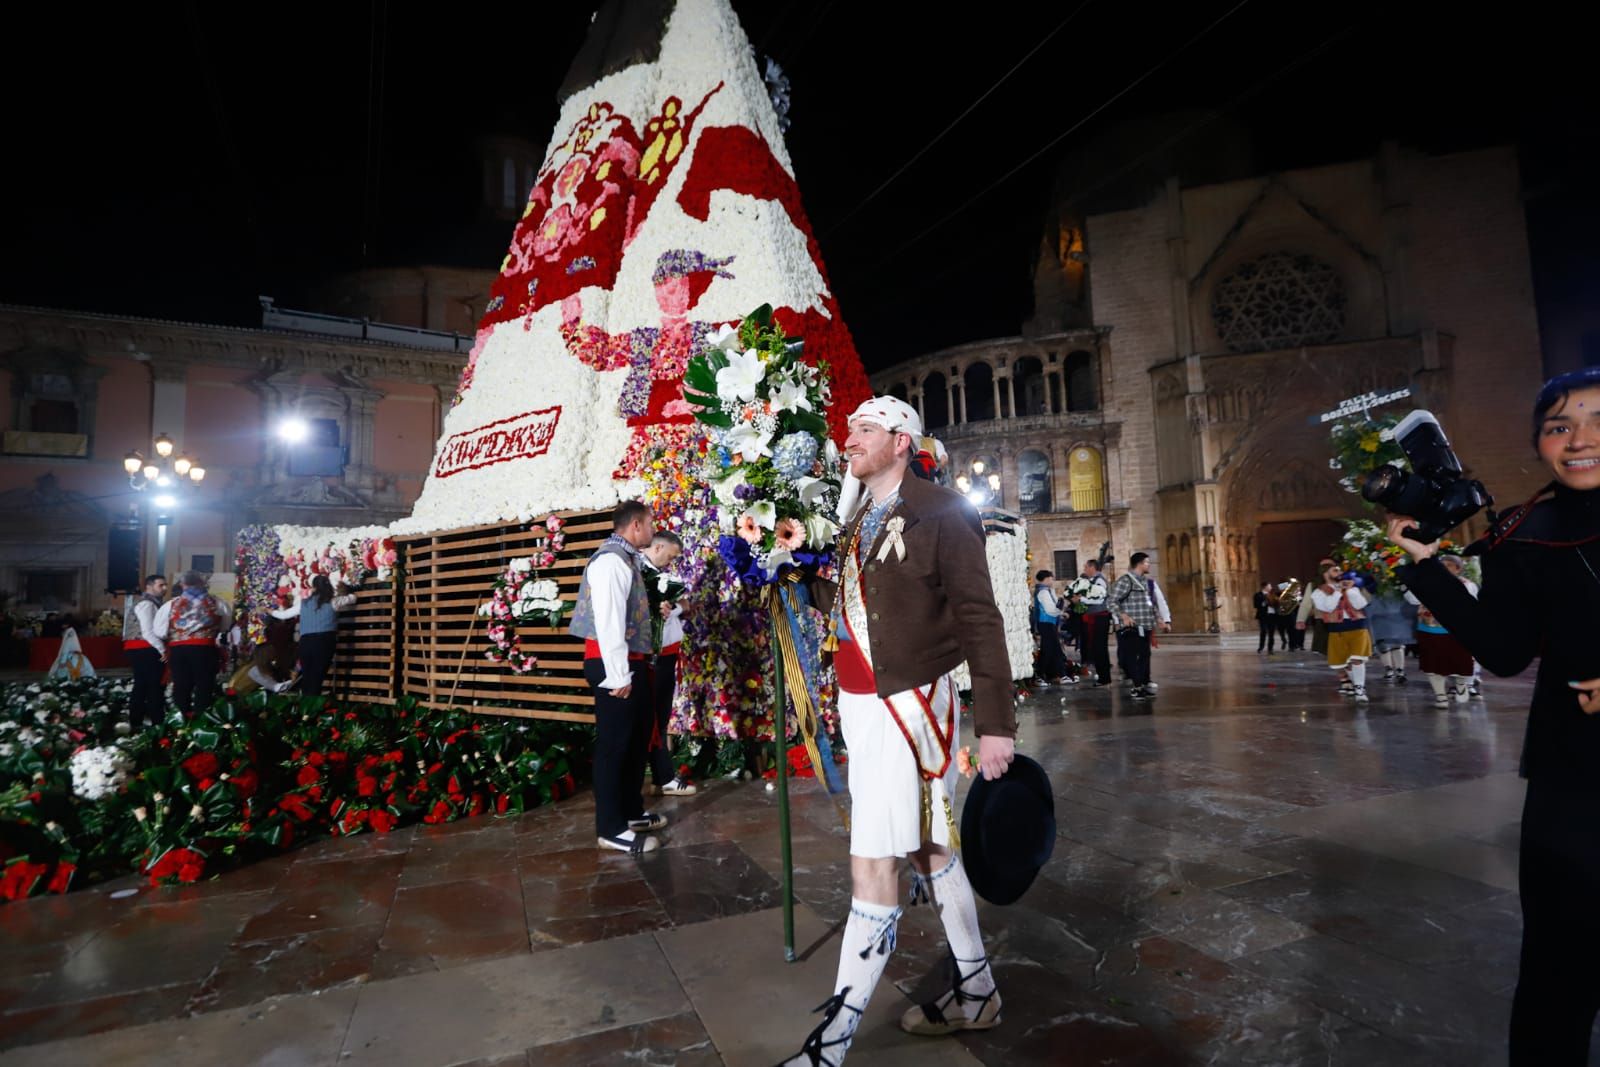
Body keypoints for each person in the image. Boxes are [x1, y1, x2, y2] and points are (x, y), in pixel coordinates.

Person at [776, 397, 1015, 1066]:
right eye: (850, 426)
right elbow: (863, 607)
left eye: (866, 428)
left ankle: (830, 1044)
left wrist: (996, 724)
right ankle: (978, 991)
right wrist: (791, 569)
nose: (849, 437)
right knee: (930, 849)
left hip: (908, 706)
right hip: (864, 701)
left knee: (872, 862)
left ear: (903, 441)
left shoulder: (941, 512)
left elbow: (980, 617)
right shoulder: (857, 516)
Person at [1388, 366, 1600, 1064]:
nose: (1578, 440)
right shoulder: (1524, 531)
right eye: (1558, 425)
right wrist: (1423, 565)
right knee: (1557, 973)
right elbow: (1505, 651)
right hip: (1574, 778)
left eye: (1596, 419)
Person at [568, 500, 665, 854]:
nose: (654, 531)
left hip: (630, 661)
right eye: (651, 524)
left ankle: (629, 810)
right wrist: (619, 674)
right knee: (615, 746)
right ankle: (610, 828)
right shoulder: (610, 561)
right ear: (636, 525)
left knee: (636, 741)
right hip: (613, 665)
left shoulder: (627, 559)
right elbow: (608, 623)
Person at [640, 530, 696, 797]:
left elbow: (685, 602)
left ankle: (662, 774)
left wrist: (673, 608)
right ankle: (663, 776)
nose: (671, 562)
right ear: (659, 547)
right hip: (655, 654)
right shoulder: (640, 569)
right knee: (655, 718)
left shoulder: (659, 572)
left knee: (659, 716)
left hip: (668, 651)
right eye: (670, 556)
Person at [153, 571, 231, 717]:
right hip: (205, 649)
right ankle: (203, 719)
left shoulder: (170, 604)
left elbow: (159, 631)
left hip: (179, 651)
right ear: (203, 584)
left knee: (181, 685)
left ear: (183, 585)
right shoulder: (218, 602)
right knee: (204, 685)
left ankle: (183, 718)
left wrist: (179, 634)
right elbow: (225, 626)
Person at [271, 575, 358, 697]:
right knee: (317, 677)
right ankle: (311, 708)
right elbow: (353, 598)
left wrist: (269, 611)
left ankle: (305, 708)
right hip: (324, 642)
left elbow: (284, 615)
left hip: (306, 643)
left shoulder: (304, 604)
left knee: (307, 676)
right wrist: (346, 591)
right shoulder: (333, 601)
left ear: (314, 588)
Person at [1310, 562, 1371, 702]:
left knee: (1357, 659)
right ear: (1326, 573)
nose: (1339, 572)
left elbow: (1361, 604)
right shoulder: (1318, 592)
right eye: (1335, 570)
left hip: (1357, 625)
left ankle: (1360, 689)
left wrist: (1350, 590)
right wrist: (1338, 591)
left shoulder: (1352, 587)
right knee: (1345, 663)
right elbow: (1328, 607)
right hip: (1337, 629)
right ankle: (1356, 686)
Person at [121, 574, 169, 729]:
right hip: (145, 648)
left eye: (165, 585)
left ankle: (137, 721)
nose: (165, 588)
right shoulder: (146, 604)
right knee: (153, 686)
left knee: (142, 685)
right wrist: (163, 650)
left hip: (140, 648)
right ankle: (156, 722)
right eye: (161, 585)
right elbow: (148, 632)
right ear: (149, 586)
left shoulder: (149, 603)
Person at [1110, 553, 1157, 700]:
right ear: (1140, 564)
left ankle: (1142, 685)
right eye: (1147, 562)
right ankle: (1136, 687)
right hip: (1132, 626)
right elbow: (1111, 601)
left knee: (1144, 656)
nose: (1149, 565)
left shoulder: (1143, 581)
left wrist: (1158, 618)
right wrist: (1123, 616)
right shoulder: (1126, 581)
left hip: (1145, 625)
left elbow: (1147, 602)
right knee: (1132, 657)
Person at [1070, 559, 1111, 685]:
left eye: (1086, 567)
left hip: (1099, 618)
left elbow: (1099, 599)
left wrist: (1080, 599)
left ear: (1092, 567)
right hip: (1095, 618)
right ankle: (1103, 676)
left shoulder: (1099, 581)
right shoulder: (1093, 581)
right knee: (1097, 648)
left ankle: (1104, 678)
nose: (1084, 569)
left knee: (1100, 648)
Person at [1365, 589, 1414, 685]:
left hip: (1396, 614)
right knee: (1382, 644)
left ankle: (1400, 670)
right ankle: (1389, 669)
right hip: (1378, 614)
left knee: (1397, 643)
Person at [1031, 570, 1069, 685]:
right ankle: (1045, 675)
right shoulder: (1043, 592)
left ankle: (1055, 674)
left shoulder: (1046, 590)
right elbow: (1050, 609)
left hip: (1048, 623)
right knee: (1050, 650)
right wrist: (1061, 613)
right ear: (1047, 579)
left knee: (1051, 650)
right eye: (1052, 578)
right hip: (1046, 623)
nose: (1053, 580)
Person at [228, 644, 297, 696]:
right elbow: (275, 687)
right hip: (239, 701)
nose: (275, 654)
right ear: (266, 655)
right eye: (272, 652)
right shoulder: (255, 670)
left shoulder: (255, 666)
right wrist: (293, 680)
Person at [1253, 582, 1278, 653]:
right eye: (1270, 586)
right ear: (1265, 587)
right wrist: (1264, 603)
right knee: (1263, 631)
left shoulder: (1273, 594)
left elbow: (1277, 604)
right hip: (1263, 616)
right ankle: (1261, 647)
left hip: (1272, 616)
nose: (1271, 587)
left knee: (1271, 633)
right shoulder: (1258, 595)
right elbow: (1255, 605)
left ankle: (1270, 649)